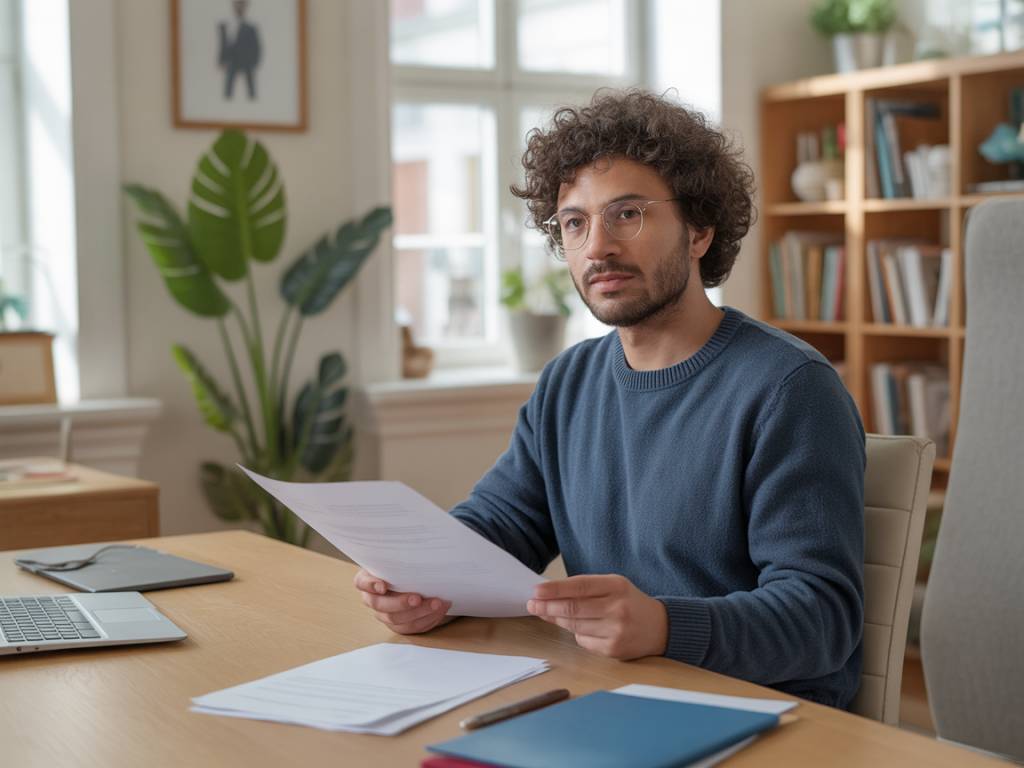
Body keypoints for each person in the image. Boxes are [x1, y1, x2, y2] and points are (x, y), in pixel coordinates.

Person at [354, 89, 865, 709]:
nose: (597, 247)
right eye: (575, 222)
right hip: (611, 693)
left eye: (628, 214)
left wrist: (665, 626)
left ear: (700, 230)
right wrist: (420, 578)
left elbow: (822, 618)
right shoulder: (568, 383)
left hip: (763, 715)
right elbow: (500, 526)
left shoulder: (789, 388)